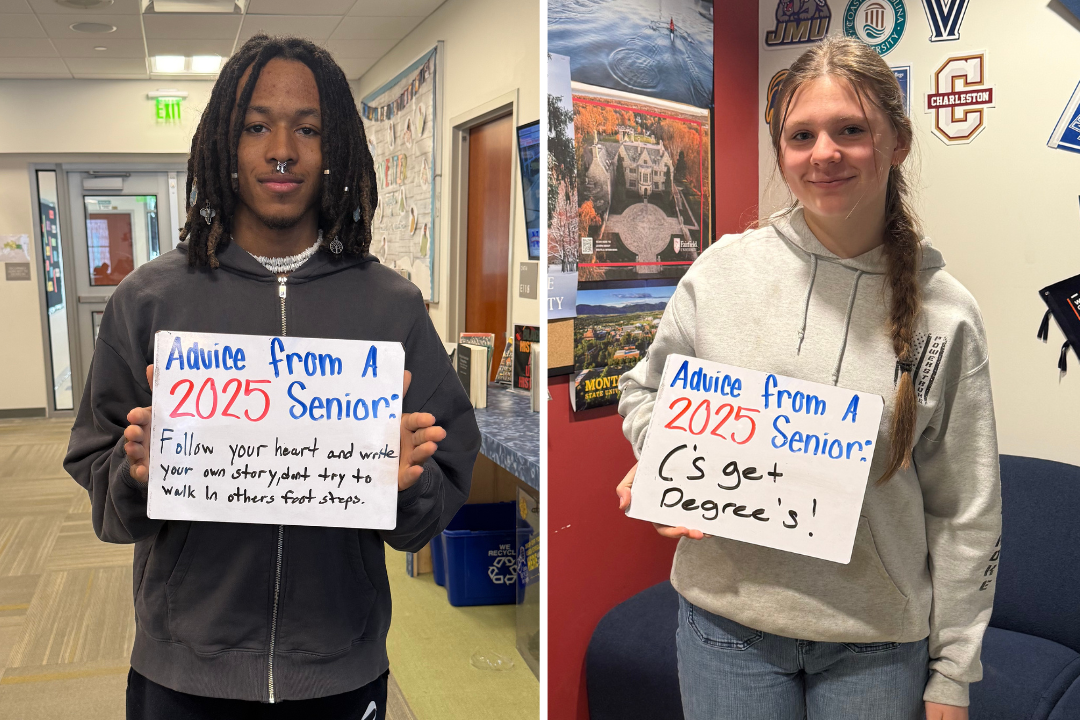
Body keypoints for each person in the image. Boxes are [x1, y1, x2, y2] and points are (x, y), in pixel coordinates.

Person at [64, 35, 480, 720]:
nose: (281, 149)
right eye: (256, 125)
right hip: (185, 668)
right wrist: (135, 474)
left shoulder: (391, 308)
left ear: (337, 147)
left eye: (308, 129)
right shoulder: (149, 301)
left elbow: (438, 497)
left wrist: (408, 485)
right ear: (225, 143)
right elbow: (99, 472)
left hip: (336, 668)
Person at [615, 36, 999, 720]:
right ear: (781, 151)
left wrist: (952, 675)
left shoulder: (947, 313)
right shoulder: (722, 272)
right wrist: (663, 460)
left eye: (850, 130)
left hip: (875, 644)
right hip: (724, 627)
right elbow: (646, 390)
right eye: (802, 135)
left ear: (898, 142)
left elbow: (966, 510)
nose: (824, 152)